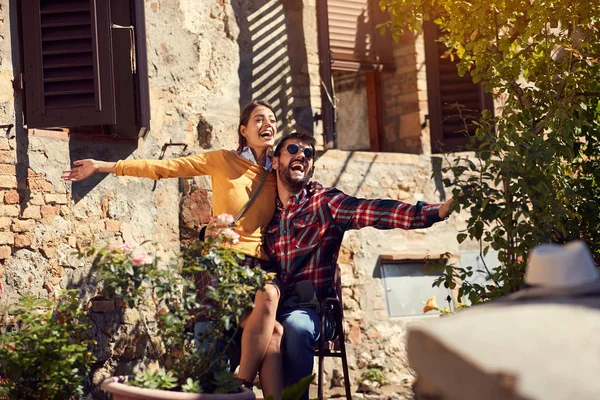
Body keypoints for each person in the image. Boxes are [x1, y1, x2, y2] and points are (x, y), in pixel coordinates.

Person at [61, 100, 284, 398]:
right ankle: (237, 385)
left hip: (259, 267)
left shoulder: (277, 174)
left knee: (275, 328)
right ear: (244, 130)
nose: (267, 124)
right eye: (258, 119)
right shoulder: (223, 160)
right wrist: (105, 165)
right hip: (223, 265)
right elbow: (165, 168)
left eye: (271, 119)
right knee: (258, 316)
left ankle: (246, 386)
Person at [264, 131, 456, 400]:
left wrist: (434, 212)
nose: (301, 156)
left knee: (296, 328)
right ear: (275, 161)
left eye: (308, 153)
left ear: (312, 167)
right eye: (293, 149)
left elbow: (374, 210)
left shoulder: (325, 203)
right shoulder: (265, 211)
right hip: (269, 308)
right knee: (226, 326)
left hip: (312, 312)